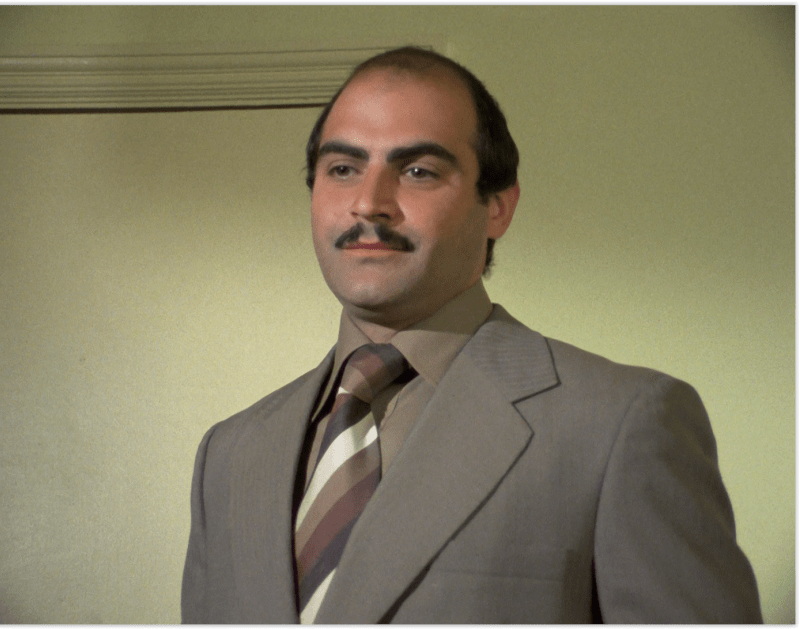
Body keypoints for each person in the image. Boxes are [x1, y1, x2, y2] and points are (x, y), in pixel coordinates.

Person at [181, 47, 762, 624]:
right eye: (343, 169)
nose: (369, 203)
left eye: (418, 171)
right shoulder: (229, 454)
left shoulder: (622, 425)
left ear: (498, 208)